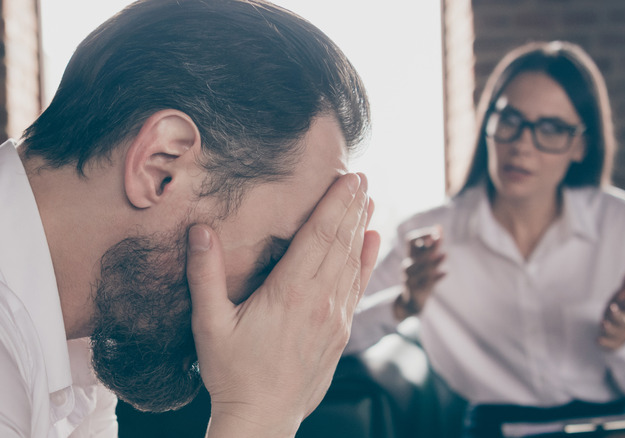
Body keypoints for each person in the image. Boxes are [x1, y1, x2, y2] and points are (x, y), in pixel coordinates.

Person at [0, 1, 381, 437]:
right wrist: (260, 413)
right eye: (276, 259)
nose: (284, 311)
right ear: (161, 167)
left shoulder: (72, 345)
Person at [347, 41, 625, 437]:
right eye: (509, 119)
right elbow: (332, 334)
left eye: (551, 129)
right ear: (488, 123)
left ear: (580, 146)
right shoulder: (430, 238)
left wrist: (624, 341)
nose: (522, 144)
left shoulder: (622, 222)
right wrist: (403, 304)